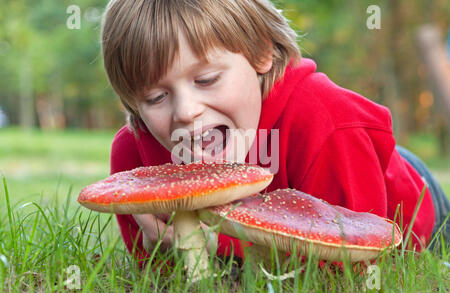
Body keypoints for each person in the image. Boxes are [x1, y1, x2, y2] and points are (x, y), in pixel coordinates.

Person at [100, 0, 448, 266]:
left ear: (260, 53)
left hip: (399, 198)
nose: (186, 111)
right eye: (155, 97)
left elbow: (353, 262)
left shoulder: (325, 121)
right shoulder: (135, 158)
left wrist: (220, 245)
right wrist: (166, 255)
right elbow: (152, 270)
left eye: (206, 79)